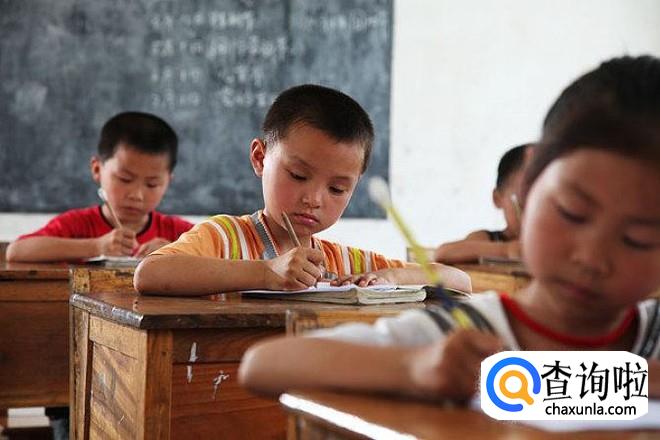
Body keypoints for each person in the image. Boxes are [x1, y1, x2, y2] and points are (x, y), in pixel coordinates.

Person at [238, 56, 660, 400]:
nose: (592, 258)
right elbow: (263, 366)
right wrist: (413, 368)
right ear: (527, 191)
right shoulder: (460, 337)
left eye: (639, 239)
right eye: (572, 213)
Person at [134, 84, 471, 296]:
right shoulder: (225, 237)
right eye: (297, 175)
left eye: (337, 188)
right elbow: (150, 273)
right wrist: (266, 273)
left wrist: (392, 276)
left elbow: (459, 281)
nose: (313, 199)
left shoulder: (345, 263)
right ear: (260, 158)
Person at [6, 111, 193, 262]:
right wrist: (96, 246)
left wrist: (176, 252)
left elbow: (214, 255)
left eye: (152, 184)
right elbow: (16, 251)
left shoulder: (177, 232)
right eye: (125, 179)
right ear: (97, 169)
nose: (136, 195)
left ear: (168, 181)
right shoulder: (77, 224)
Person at [433, 144, 529, 264]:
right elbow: (443, 253)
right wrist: (507, 250)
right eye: (523, 203)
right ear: (497, 198)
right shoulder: (491, 240)